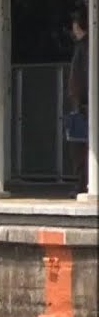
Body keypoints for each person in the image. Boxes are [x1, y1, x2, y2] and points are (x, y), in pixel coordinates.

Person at [67, 10, 89, 195]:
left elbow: (80, 76)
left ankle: (82, 184)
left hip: (81, 104)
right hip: (82, 102)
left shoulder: (84, 47)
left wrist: (80, 101)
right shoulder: (85, 46)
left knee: (79, 146)